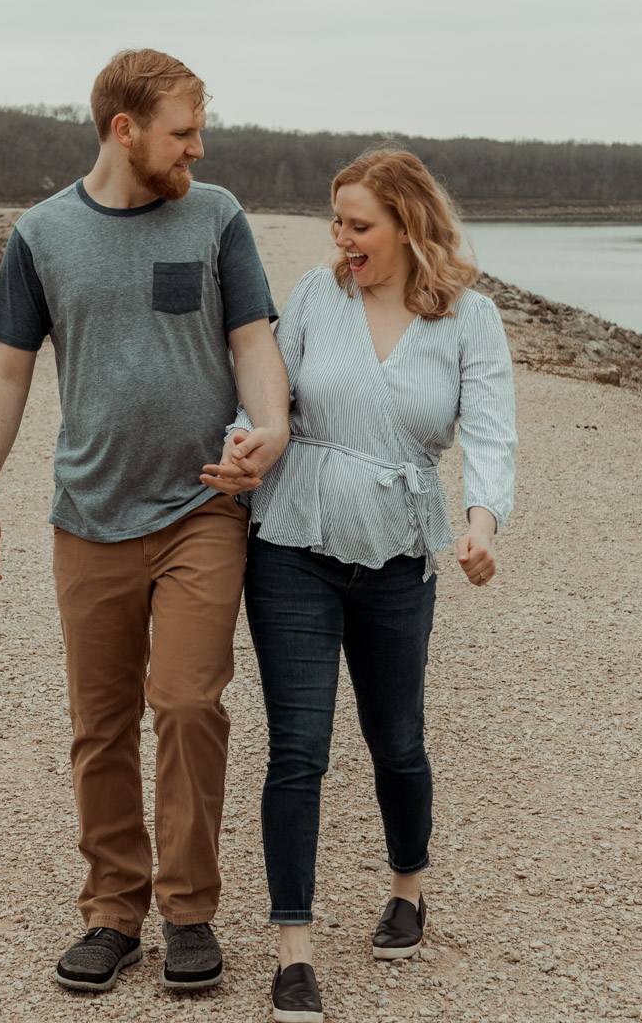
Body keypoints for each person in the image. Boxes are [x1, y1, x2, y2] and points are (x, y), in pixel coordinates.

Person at [0, 49, 290, 995]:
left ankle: (189, 911)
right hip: (90, 514)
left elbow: (253, 340)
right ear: (124, 130)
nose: (197, 146)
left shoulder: (217, 216)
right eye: (183, 131)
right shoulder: (42, 235)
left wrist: (270, 426)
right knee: (100, 724)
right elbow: (8, 371)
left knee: (186, 703)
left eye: (199, 131)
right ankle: (113, 910)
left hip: (202, 507)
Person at [200, 148, 517, 1023]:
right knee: (298, 748)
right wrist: (243, 447)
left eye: (359, 225)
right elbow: (269, 403)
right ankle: (293, 948)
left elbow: (491, 435)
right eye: (336, 222)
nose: (342, 241)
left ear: (409, 225)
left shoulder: (469, 319)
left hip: (399, 559)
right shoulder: (314, 295)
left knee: (397, 741)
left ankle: (408, 888)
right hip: (292, 546)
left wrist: (481, 525)